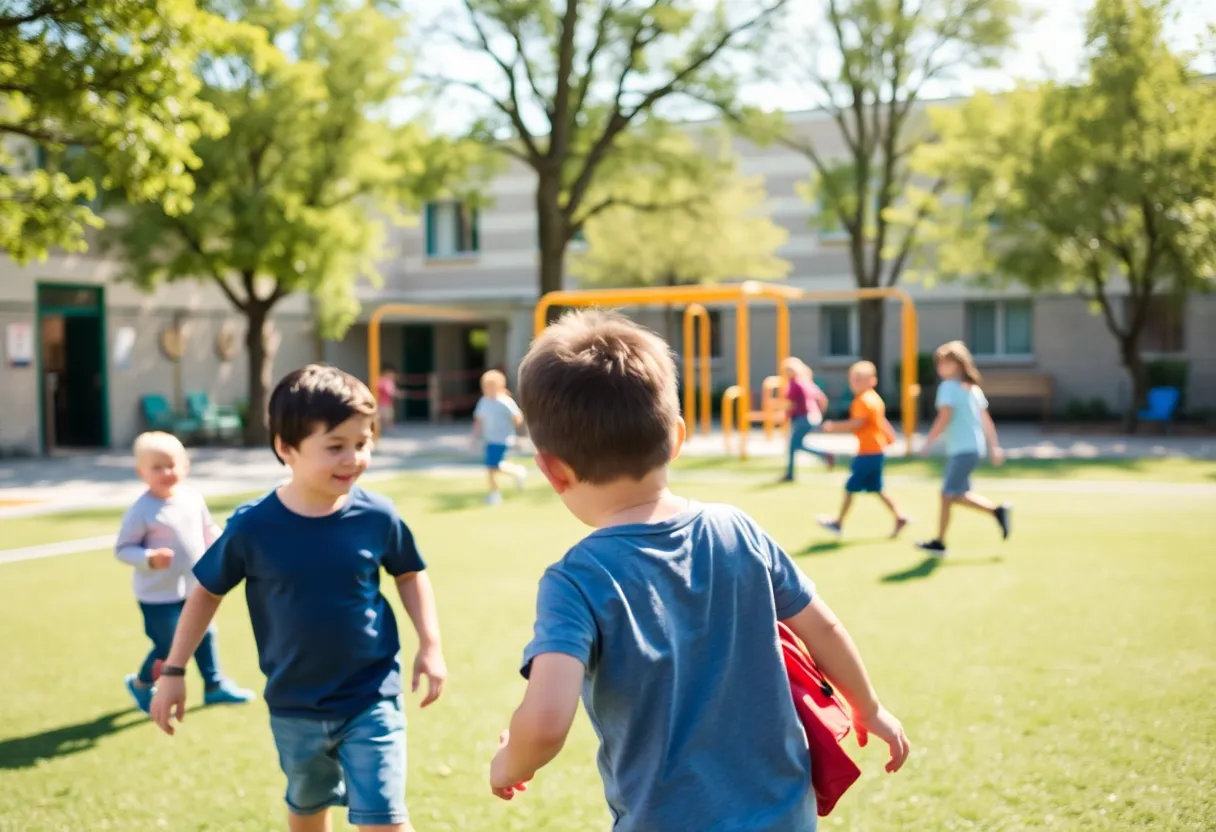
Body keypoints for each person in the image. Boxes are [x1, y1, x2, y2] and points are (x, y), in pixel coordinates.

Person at [487, 310, 909, 830]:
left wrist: (509, 760)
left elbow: (547, 723)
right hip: (785, 812)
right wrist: (868, 708)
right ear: (678, 436)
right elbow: (825, 627)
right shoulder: (738, 529)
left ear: (553, 470)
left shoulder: (574, 580)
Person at [150, 365, 447, 832]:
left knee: (385, 821)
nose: (353, 458)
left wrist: (430, 645)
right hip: (294, 705)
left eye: (362, 443)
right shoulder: (252, 527)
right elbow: (206, 592)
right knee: (308, 810)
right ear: (285, 448)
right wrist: (173, 670)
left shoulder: (377, 515)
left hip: (372, 696)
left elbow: (410, 574)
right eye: (335, 446)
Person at [114, 431, 255, 714]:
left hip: (194, 588)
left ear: (186, 465)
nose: (167, 472)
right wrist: (148, 558)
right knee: (170, 646)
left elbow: (208, 532)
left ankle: (214, 685)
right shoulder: (141, 511)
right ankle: (142, 683)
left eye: (172, 464)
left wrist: (226, 549)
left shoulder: (191, 497)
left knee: (206, 634)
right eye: (157, 467)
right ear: (141, 472)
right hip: (157, 597)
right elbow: (123, 549)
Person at [915, 340, 1011, 556]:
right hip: (973, 449)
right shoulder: (972, 389)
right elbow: (986, 420)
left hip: (962, 450)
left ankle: (939, 542)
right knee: (957, 495)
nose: (939, 368)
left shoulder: (948, 387)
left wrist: (929, 441)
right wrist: (993, 446)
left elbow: (945, 416)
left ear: (957, 364)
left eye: (943, 363)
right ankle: (997, 511)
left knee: (946, 494)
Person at [816, 361, 910, 539]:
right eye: (853, 379)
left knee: (851, 487)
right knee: (877, 488)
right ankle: (900, 516)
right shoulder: (875, 398)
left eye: (859, 379)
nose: (855, 383)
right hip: (876, 450)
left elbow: (857, 423)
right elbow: (880, 422)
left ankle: (837, 523)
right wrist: (890, 437)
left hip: (868, 451)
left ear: (872, 381)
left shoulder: (863, 401)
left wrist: (833, 426)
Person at [472, 369, 527, 505]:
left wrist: (512, 424)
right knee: (495, 467)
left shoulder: (505, 402)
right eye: (485, 386)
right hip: (489, 439)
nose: (488, 389)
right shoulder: (483, 402)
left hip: (503, 439)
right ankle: (516, 473)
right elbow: (479, 420)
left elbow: (518, 417)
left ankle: (495, 495)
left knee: (492, 468)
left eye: (491, 386)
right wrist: (474, 436)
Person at [779, 357, 835, 482]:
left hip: (802, 417)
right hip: (811, 417)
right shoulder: (807, 382)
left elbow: (790, 404)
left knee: (795, 445)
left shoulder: (795, 383)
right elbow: (822, 399)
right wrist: (820, 413)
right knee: (795, 445)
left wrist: (784, 417)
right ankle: (791, 472)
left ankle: (791, 474)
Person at [377, 365, 404, 436]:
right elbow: (391, 392)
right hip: (383, 402)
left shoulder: (382, 380)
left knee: (386, 416)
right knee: (384, 416)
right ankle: (387, 429)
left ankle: (387, 429)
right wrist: (399, 394)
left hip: (385, 402)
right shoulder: (386, 381)